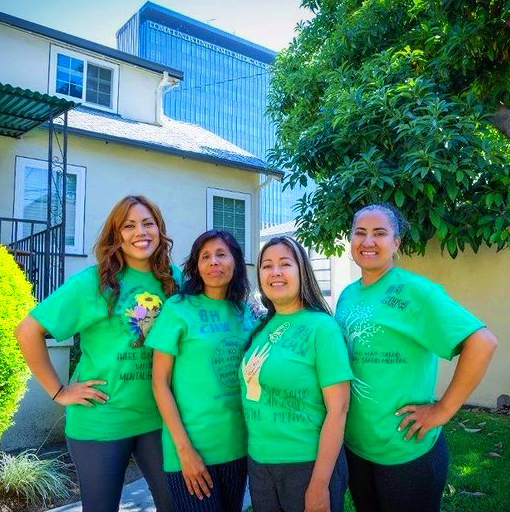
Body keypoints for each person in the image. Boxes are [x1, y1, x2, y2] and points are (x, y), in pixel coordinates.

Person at [15, 195, 182, 512]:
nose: (140, 232)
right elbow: (27, 331)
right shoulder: (92, 282)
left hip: (159, 418)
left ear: (160, 229)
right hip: (101, 420)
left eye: (148, 223)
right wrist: (58, 391)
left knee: (177, 504)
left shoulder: (174, 280)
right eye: (129, 226)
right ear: (116, 235)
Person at [335, 203, 498, 512]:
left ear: (396, 243)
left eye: (380, 233)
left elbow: (482, 343)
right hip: (356, 447)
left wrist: (443, 410)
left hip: (406, 451)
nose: (368, 242)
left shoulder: (417, 292)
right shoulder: (347, 295)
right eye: (360, 233)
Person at [241, 236, 352, 512]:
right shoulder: (263, 327)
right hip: (260, 464)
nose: (275, 272)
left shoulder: (322, 328)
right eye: (267, 265)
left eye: (284, 264)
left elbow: (338, 409)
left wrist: (319, 485)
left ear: (302, 270)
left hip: (307, 465)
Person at [146, 229, 253, 512]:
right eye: (205, 256)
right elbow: (160, 383)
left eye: (221, 254)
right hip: (191, 450)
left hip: (237, 447)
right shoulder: (178, 308)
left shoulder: (244, 312)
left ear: (236, 262)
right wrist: (185, 451)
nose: (214, 262)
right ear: (196, 266)